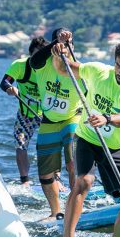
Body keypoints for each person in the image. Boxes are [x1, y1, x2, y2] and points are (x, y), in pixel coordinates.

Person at [52, 35, 120, 237]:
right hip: (86, 138)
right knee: (84, 181)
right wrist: (59, 54)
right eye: (117, 65)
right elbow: (64, 69)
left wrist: (107, 118)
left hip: (113, 147)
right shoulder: (98, 71)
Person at [29, 28, 83, 220]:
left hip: (73, 119)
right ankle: (55, 211)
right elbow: (34, 60)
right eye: (62, 45)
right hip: (49, 121)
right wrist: (55, 43)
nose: (66, 49)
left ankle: (74, 208)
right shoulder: (41, 65)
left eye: (69, 46)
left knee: (72, 164)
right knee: (45, 174)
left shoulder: (78, 68)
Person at [0, 37, 49, 185]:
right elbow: (4, 82)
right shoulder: (19, 66)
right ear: (30, 54)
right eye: (36, 56)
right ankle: (25, 180)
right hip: (26, 114)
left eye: (42, 56)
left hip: (48, 114)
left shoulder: (52, 67)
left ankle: (56, 179)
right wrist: (10, 88)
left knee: (50, 146)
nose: (39, 60)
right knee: (20, 143)